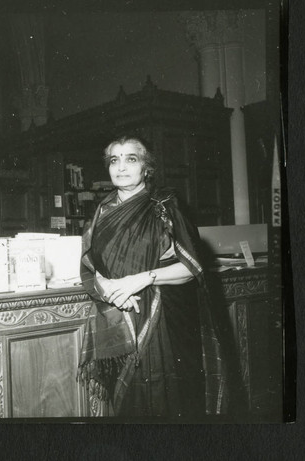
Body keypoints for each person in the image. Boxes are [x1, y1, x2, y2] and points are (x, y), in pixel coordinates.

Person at [77, 136, 228, 419]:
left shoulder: (165, 206)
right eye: (114, 160)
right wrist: (107, 288)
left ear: (146, 168)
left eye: (130, 159)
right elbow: (89, 265)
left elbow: (192, 266)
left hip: (167, 318)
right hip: (118, 316)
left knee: (170, 403)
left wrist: (142, 279)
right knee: (129, 407)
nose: (121, 166)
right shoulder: (100, 212)